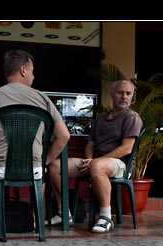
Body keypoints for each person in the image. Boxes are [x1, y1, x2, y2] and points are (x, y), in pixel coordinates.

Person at [0, 49, 71, 233]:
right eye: (32, 71)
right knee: (40, 170)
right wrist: (45, 161)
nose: (34, 77)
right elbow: (64, 136)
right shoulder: (42, 99)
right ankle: (36, 221)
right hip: (33, 168)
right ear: (23, 70)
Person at [47, 79, 143, 233]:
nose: (124, 96)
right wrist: (89, 159)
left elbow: (127, 148)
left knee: (97, 166)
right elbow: (90, 144)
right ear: (112, 94)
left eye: (128, 93)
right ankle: (64, 213)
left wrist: (96, 162)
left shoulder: (131, 117)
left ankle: (106, 217)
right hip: (95, 161)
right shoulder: (101, 118)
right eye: (120, 92)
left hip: (120, 164)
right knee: (54, 166)